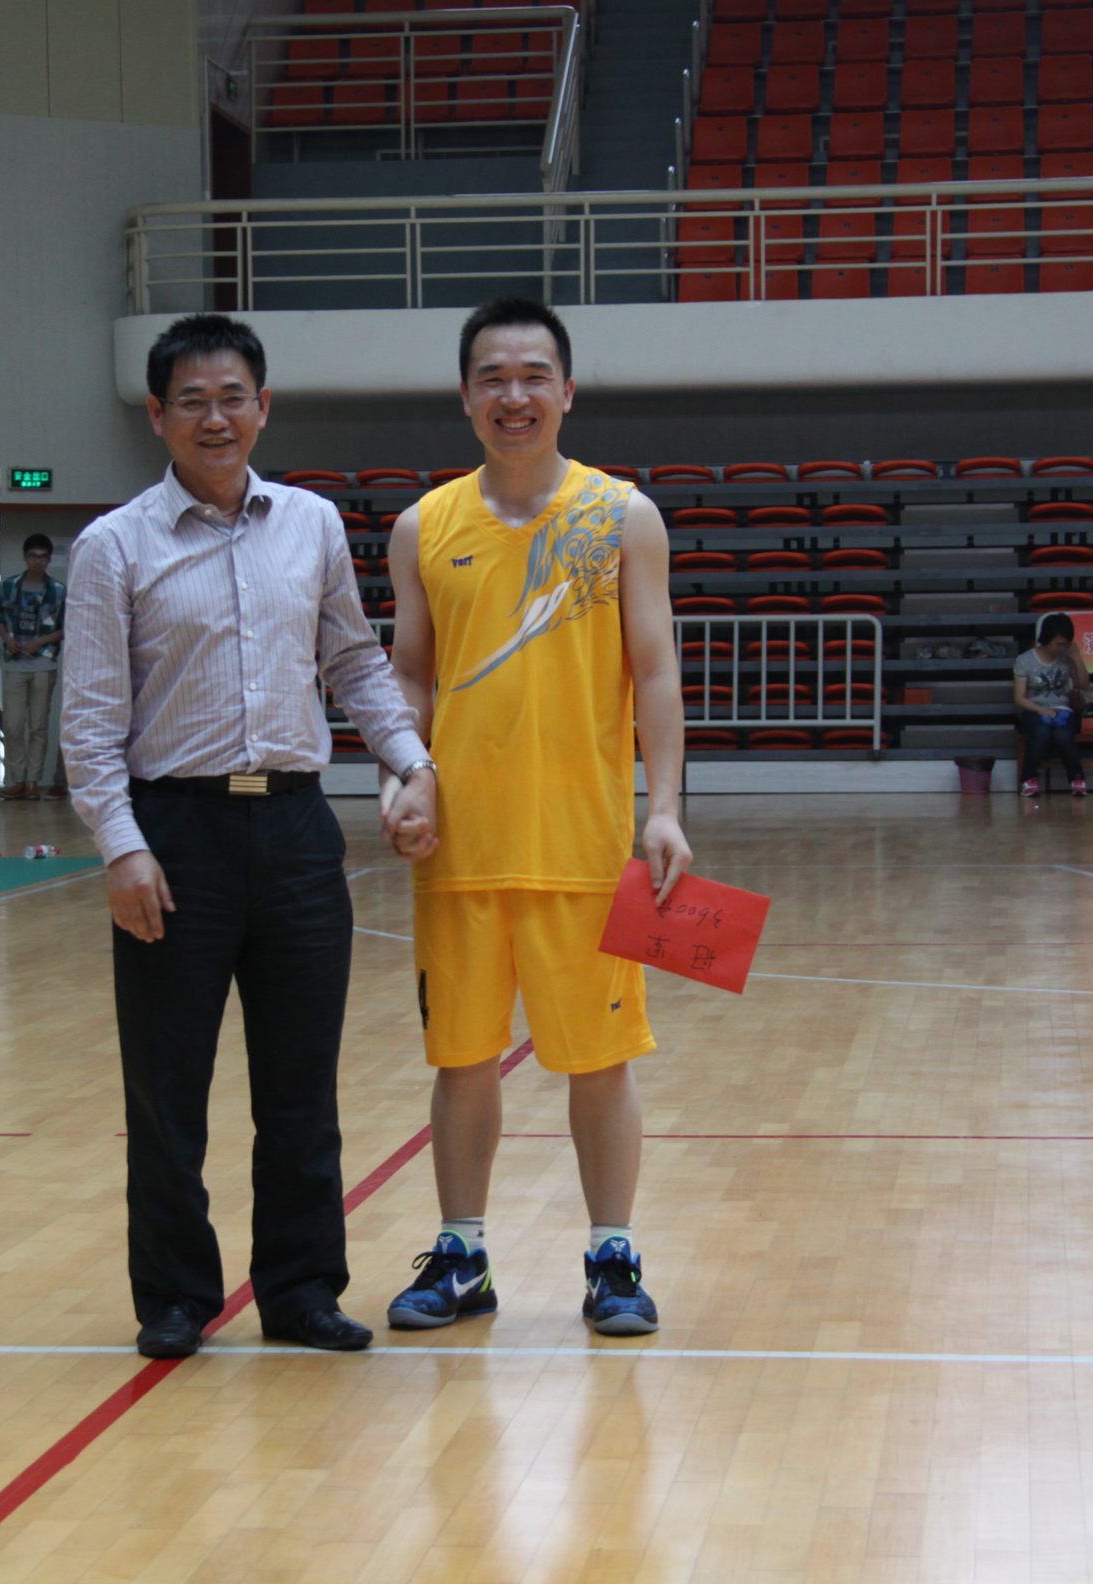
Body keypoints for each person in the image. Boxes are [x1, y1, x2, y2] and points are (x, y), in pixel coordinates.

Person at [59, 314, 440, 1361]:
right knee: (166, 1088)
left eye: (233, 398)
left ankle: (302, 1291)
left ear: (263, 407)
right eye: (192, 401)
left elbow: (354, 662)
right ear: (157, 416)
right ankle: (177, 1295)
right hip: (174, 834)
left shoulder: (311, 525)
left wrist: (413, 763)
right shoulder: (113, 547)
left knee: (300, 1086)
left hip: (296, 830)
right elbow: (89, 720)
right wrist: (121, 846)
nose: (215, 418)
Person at [380, 298, 692, 1338]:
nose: (513, 395)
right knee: (461, 1059)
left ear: (566, 390)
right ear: (465, 395)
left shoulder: (623, 517)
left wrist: (665, 810)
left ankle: (613, 1258)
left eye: (532, 375)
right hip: (459, 848)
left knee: (601, 1062)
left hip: (585, 846)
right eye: (492, 377)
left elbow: (655, 672)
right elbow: (409, 674)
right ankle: (461, 1255)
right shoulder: (422, 527)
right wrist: (403, 773)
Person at [0, 533, 65, 800]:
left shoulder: (58, 590)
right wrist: (7, 639)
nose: (38, 561)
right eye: (33, 556)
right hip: (14, 662)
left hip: (44, 662)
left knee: (38, 725)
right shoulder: (9, 586)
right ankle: (17, 779)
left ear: (49, 560)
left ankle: (33, 781)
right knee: (13, 725)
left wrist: (40, 642)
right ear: (25, 558)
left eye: (43, 557)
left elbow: (65, 627)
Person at [1012, 613, 1092, 798]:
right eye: (1058, 644)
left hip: (1063, 710)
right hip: (1034, 709)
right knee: (1042, 732)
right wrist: (1042, 710)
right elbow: (1019, 698)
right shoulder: (1025, 660)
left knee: (1062, 734)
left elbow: (1083, 684)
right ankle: (1029, 779)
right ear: (1046, 639)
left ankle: (1077, 778)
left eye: (1065, 644)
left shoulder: (1067, 658)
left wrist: (1077, 658)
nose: (1061, 648)